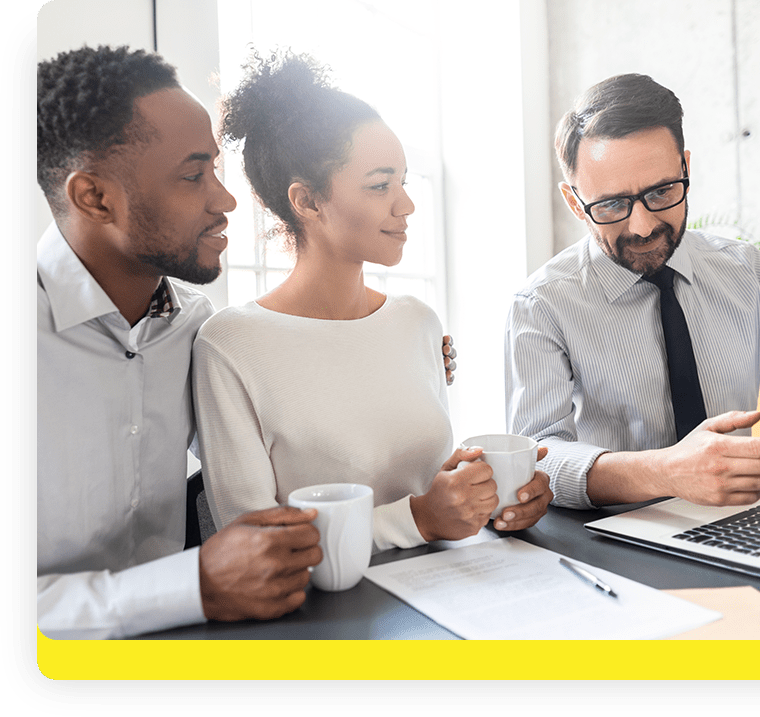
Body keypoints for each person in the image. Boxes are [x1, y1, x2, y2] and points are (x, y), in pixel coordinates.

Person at [192, 51, 552, 552]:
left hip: (454, 588)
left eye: (402, 181)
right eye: (380, 185)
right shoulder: (231, 345)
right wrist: (421, 518)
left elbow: (431, 497)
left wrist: (492, 503)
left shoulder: (418, 322)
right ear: (307, 201)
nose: (405, 205)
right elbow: (253, 544)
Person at [36, 45, 328, 640]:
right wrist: (193, 584)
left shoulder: (196, 326)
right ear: (94, 197)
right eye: (193, 175)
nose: (224, 201)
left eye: (214, 170)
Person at [505, 73, 760, 510]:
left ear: (686, 168)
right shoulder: (542, 305)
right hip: (605, 539)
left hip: (732, 525)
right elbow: (538, 456)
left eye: (662, 191)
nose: (643, 226)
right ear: (575, 202)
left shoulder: (749, 274)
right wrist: (665, 472)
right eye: (611, 205)